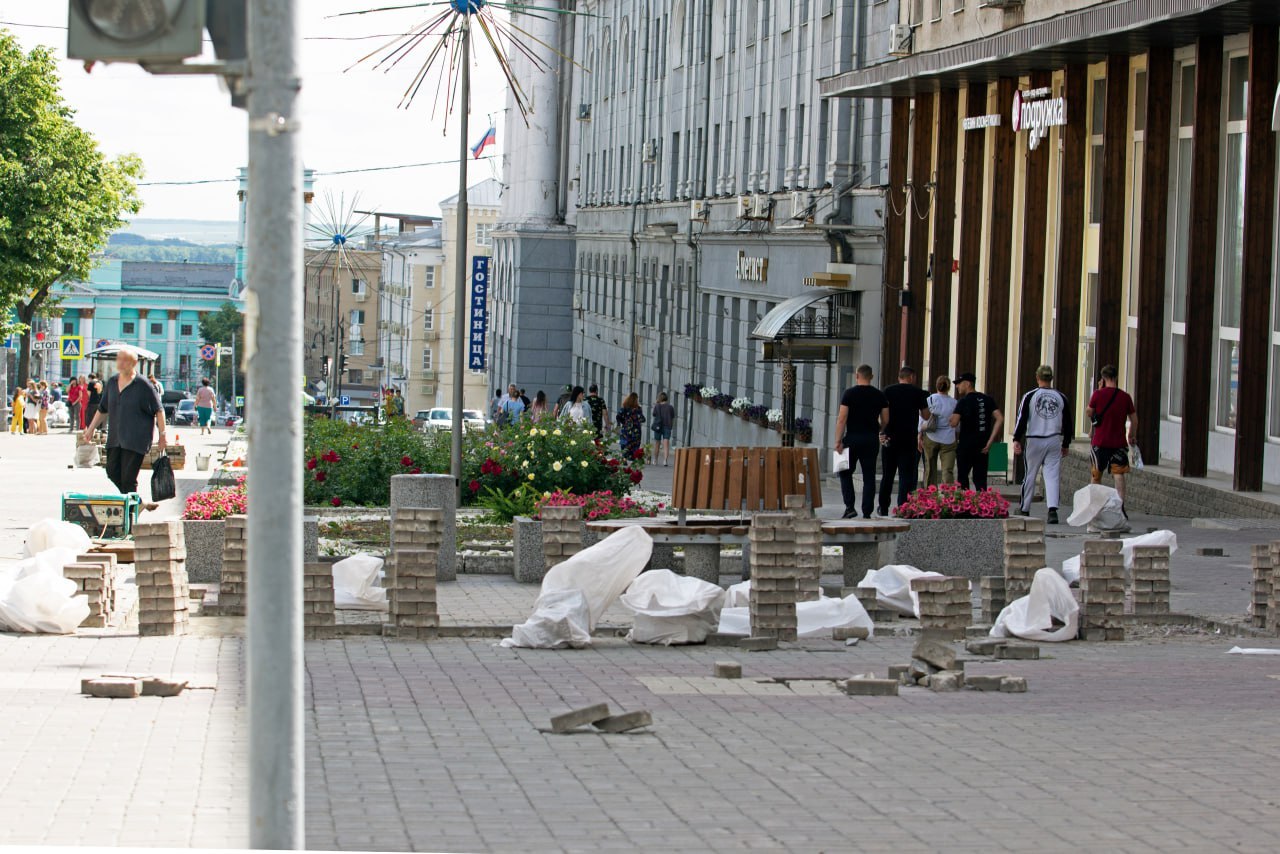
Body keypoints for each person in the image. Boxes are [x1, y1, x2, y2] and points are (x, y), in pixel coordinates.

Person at [83, 346, 167, 498]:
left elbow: (159, 410)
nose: (120, 363)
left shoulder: (143, 385)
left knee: (128, 478)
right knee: (111, 471)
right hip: (115, 438)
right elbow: (103, 409)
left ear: (133, 363)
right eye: (119, 359)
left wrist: (163, 435)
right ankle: (137, 502)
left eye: (124, 360)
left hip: (136, 440)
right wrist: (91, 429)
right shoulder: (113, 382)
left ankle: (130, 515)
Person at [1012, 364, 1073, 524]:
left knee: (1030, 474)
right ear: (1051, 379)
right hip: (1054, 439)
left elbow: (1022, 419)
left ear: (1037, 378)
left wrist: (1017, 439)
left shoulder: (1030, 396)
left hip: (1034, 439)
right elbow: (1068, 423)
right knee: (1052, 475)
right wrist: (1066, 443)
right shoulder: (1061, 397)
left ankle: (1024, 508)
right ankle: (1052, 510)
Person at [833, 364, 889, 520]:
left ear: (857, 376)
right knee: (869, 476)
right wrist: (880, 429)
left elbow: (842, 418)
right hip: (871, 440)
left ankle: (850, 507)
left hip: (851, 438)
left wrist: (838, 440)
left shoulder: (849, 394)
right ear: (871, 376)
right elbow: (886, 419)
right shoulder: (879, 395)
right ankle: (867, 511)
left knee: (844, 472)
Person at [878, 366, 931, 516]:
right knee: (905, 475)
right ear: (912, 377)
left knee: (887, 474)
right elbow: (926, 416)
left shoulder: (887, 391)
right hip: (908, 440)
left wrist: (881, 431)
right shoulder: (918, 393)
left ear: (899, 377)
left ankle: (883, 506)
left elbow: (882, 414)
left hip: (889, 438)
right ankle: (902, 507)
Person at [1086, 364, 1138, 513]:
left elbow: (1089, 412)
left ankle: (1094, 508)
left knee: (1096, 475)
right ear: (1116, 377)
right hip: (1119, 443)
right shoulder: (1125, 397)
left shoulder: (1098, 394)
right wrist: (1131, 435)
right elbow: (1134, 420)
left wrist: (1099, 390)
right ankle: (1120, 508)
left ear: (1103, 379)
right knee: (1119, 474)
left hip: (1100, 442)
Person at [950, 373, 1004, 491]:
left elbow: (953, 423)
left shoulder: (963, 401)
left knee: (962, 478)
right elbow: (1000, 418)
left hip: (966, 446)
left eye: (959, 383)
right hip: (983, 445)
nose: (957, 386)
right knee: (980, 480)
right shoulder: (988, 399)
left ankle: (964, 506)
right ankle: (982, 506)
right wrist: (990, 440)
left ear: (968, 384)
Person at [920, 375, 958, 486]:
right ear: (949, 387)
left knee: (930, 469)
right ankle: (947, 497)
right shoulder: (954, 403)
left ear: (936, 385)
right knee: (947, 470)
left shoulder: (930, 399)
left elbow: (922, 418)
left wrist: (919, 434)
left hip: (931, 436)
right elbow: (957, 423)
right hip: (949, 439)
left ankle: (930, 496)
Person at [617, 392, 646, 459]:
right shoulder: (638, 409)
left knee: (625, 443)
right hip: (636, 431)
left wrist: (623, 422)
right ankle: (632, 457)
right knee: (635, 444)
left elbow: (618, 416)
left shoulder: (624, 407)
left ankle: (624, 457)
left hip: (626, 429)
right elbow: (643, 419)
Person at [650, 392, 676, 465]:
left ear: (659, 398)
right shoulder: (670, 407)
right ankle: (665, 460)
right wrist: (671, 425)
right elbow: (672, 417)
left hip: (658, 426)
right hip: (667, 426)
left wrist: (656, 404)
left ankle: (655, 460)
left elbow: (654, 414)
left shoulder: (657, 406)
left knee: (657, 443)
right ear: (666, 398)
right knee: (666, 443)